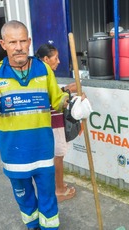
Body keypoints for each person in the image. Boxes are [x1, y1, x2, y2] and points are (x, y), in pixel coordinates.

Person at [0, 20, 69, 230]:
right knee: (24, 199)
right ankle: (32, 227)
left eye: (23, 41)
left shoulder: (43, 69)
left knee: (47, 198)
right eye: (13, 41)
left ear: (29, 42)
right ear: (3, 44)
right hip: (14, 153)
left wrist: (72, 102)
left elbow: (57, 100)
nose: (18, 46)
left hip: (42, 149)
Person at [35, 44, 77, 202]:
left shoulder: (38, 73)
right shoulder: (45, 74)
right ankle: (59, 190)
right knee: (58, 157)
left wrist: (65, 89)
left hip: (48, 123)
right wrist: (67, 92)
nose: (58, 61)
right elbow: (50, 99)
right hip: (54, 122)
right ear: (46, 59)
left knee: (54, 157)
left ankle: (56, 185)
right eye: (56, 58)